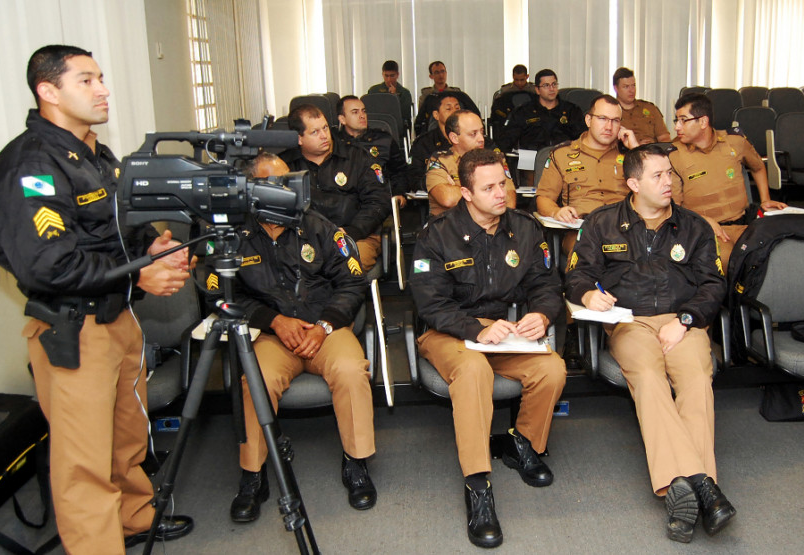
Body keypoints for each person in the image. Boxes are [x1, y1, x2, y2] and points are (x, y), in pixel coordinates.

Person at [0, 45, 194, 554]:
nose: (103, 90)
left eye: (101, 78)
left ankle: (133, 519)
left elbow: (116, 229)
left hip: (118, 319)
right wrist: (140, 278)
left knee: (126, 438)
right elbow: (49, 264)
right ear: (48, 91)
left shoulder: (95, 155)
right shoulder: (31, 163)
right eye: (87, 81)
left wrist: (152, 248)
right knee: (84, 464)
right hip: (75, 331)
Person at [565, 144, 735, 543]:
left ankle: (681, 487)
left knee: (697, 380)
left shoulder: (694, 226)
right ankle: (704, 484)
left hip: (683, 320)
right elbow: (576, 274)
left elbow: (714, 285)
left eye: (670, 173)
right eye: (657, 176)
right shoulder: (602, 223)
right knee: (648, 377)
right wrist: (588, 294)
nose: (668, 182)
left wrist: (686, 320)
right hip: (630, 322)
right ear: (633, 183)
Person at [409, 149, 567, 548]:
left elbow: (546, 285)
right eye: (489, 188)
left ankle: (521, 444)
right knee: (474, 370)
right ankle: (478, 485)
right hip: (447, 330)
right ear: (466, 193)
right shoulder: (436, 234)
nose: (501, 193)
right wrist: (474, 330)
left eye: (504, 184)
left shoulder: (524, 228)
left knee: (552, 369)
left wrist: (542, 315)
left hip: (503, 330)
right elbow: (429, 304)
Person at [218, 153, 376, 521]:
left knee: (351, 372)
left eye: (289, 181)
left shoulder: (318, 226)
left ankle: (356, 461)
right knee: (256, 380)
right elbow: (222, 294)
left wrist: (324, 326)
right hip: (273, 333)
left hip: (325, 329)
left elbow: (353, 284)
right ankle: (253, 474)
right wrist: (273, 320)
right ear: (252, 189)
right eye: (276, 183)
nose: (287, 190)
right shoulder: (236, 236)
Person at [669, 93, 787, 269]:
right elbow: (674, 207)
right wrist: (702, 220)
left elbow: (758, 167)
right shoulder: (673, 154)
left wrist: (765, 200)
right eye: (676, 120)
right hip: (705, 230)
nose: (677, 126)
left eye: (683, 120)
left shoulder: (734, 142)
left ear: (703, 122)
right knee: (726, 262)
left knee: (776, 254)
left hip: (743, 224)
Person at [281, 104, 391, 272]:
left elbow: (378, 201)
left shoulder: (357, 157)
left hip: (355, 236)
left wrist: (352, 230)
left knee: (344, 269)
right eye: (315, 132)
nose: (324, 135)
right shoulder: (284, 166)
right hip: (303, 240)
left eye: (325, 128)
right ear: (299, 138)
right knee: (292, 270)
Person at [535, 94, 638, 255]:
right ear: (588, 120)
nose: (609, 127)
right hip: (582, 231)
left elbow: (654, 192)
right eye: (602, 119)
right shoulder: (562, 154)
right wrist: (556, 212)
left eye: (615, 120)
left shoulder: (630, 155)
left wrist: (636, 150)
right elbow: (543, 198)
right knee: (589, 255)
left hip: (625, 229)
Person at [424, 110, 516, 216]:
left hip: (489, 223)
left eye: (482, 132)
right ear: (454, 138)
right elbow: (447, 199)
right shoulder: (440, 160)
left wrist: (458, 189)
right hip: (451, 224)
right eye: (473, 134)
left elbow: (510, 202)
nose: (481, 139)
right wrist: (487, 194)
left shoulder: (495, 159)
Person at [336, 94, 410, 207]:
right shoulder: (334, 142)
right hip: (343, 203)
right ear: (342, 119)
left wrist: (398, 192)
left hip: (378, 202)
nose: (362, 116)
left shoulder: (383, 139)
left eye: (364, 111)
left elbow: (400, 171)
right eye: (355, 112)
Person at [497, 68, 586, 152]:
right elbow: (506, 140)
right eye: (546, 85)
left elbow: (583, 138)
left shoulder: (571, 110)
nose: (551, 89)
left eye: (554, 84)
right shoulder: (523, 111)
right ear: (537, 90)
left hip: (564, 157)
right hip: (531, 158)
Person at [408, 91, 460, 190]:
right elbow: (413, 179)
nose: (455, 112)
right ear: (436, 115)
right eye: (448, 109)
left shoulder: (472, 139)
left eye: (457, 108)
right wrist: (437, 181)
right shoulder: (423, 143)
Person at [612, 67, 671, 144]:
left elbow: (664, 138)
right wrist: (637, 146)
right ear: (616, 88)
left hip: (652, 150)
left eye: (633, 85)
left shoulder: (650, 108)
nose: (632, 90)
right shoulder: (611, 112)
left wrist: (654, 147)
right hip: (626, 150)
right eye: (626, 87)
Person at [367, 59, 413, 126]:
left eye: (392, 76)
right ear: (382, 74)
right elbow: (369, 112)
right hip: (377, 124)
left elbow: (406, 115)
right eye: (386, 76)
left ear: (397, 75)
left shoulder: (404, 93)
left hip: (397, 125)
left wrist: (395, 97)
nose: (389, 79)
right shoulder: (374, 91)